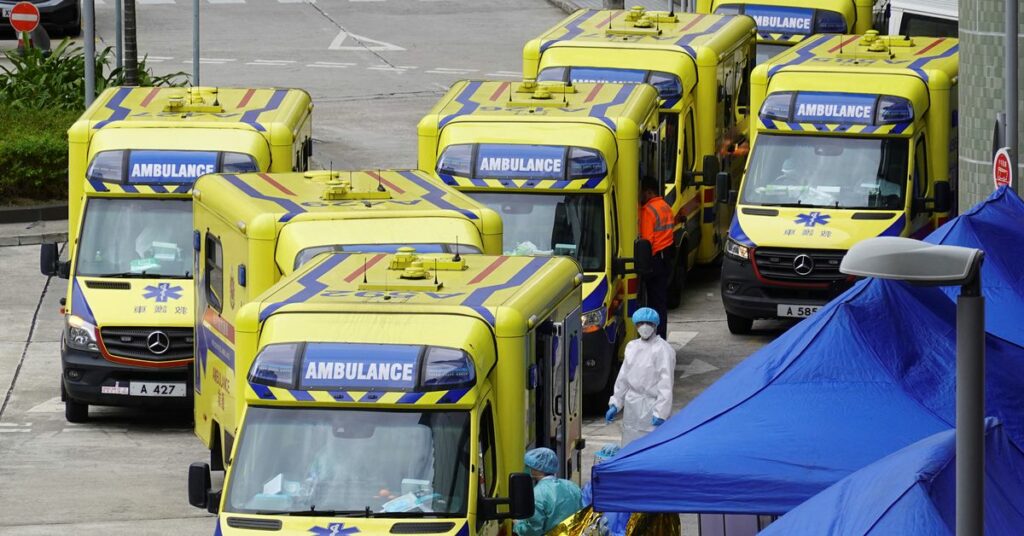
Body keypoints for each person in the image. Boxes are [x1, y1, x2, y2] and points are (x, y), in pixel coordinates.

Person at [605, 308, 676, 446]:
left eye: (648, 323)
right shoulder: (632, 347)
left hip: (652, 405)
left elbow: (666, 383)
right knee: (629, 442)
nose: (644, 327)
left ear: (655, 325)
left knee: (652, 445)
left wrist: (661, 412)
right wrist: (616, 403)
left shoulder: (663, 349)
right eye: (640, 323)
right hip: (632, 405)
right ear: (636, 325)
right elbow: (623, 378)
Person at [513, 447, 583, 536]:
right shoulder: (572, 486)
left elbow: (533, 531)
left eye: (529, 465)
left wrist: (518, 525)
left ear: (536, 468)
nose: (527, 468)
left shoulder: (537, 494)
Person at [638, 177, 674, 339]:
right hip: (666, 258)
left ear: (649, 191)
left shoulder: (648, 210)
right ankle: (661, 338)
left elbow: (647, 241)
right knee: (660, 304)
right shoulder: (666, 207)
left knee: (651, 304)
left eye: (641, 192)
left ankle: (653, 339)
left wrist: (642, 267)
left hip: (653, 260)